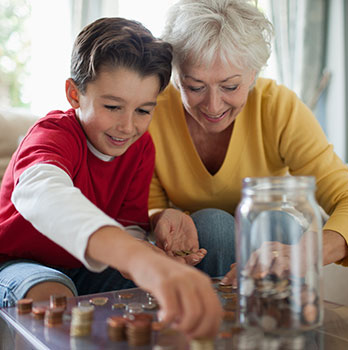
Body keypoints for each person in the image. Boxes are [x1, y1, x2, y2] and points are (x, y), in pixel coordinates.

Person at [0, 17, 222, 338]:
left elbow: (127, 224)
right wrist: (133, 256)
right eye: (113, 106)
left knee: (156, 295)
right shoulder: (53, 135)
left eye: (144, 110)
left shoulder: (141, 148)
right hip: (16, 264)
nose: (127, 126)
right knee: (51, 294)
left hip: (87, 268)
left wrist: (145, 252)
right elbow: (42, 193)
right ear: (74, 94)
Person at [148, 0, 348, 283]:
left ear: (253, 73)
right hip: (206, 244)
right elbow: (151, 205)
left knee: (272, 221)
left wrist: (310, 252)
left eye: (230, 86)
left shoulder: (278, 107)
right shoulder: (152, 109)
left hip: (274, 238)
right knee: (214, 226)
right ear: (176, 77)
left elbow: (346, 195)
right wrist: (161, 217)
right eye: (195, 87)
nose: (213, 106)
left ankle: (271, 320)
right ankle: (214, 322)